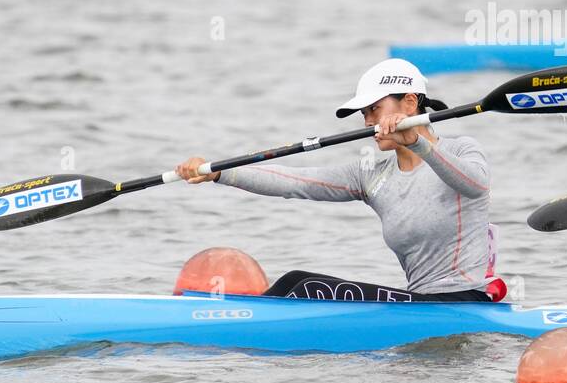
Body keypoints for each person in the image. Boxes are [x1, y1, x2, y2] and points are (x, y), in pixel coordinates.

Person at [175, 59, 502, 303]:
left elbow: (475, 185)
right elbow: (295, 181)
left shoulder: (461, 149)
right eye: (365, 114)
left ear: (410, 103)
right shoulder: (372, 175)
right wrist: (217, 172)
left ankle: (238, 330)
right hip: (421, 305)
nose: (370, 121)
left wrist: (417, 141)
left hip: (463, 302)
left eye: (375, 109)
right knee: (295, 284)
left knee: (303, 286)